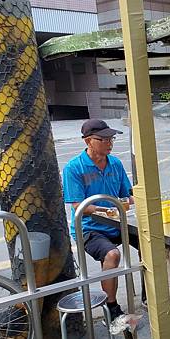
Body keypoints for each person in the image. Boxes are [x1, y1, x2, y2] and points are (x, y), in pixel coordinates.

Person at [63, 119, 133, 321]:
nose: (109, 143)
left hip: (117, 223)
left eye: (111, 139)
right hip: (89, 229)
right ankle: (111, 307)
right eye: (103, 139)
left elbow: (127, 195)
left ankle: (152, 295)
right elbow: (78, 206)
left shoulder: (115, 163)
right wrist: (105, 210)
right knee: (112, 255)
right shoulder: (74, 168)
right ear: (88, 141)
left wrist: (136, 199)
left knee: (151, 240)